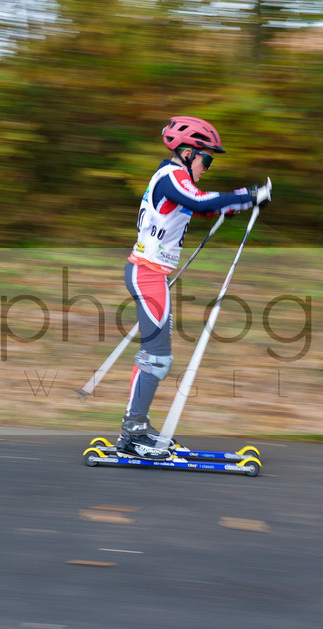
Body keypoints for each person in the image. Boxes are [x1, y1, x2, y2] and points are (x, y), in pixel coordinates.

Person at [117, 115, 272, 459]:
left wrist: (235, 205)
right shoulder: (173, 176)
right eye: (207, 158)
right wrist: (247, 195)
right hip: (148, 274)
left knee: (155, 355)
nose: (208, 166)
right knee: (157, 357)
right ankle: (133, 433)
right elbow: (201, 202)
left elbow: (197, 207)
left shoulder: (173, 178)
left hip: (150, 274)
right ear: (187, 153)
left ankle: (136, 427)